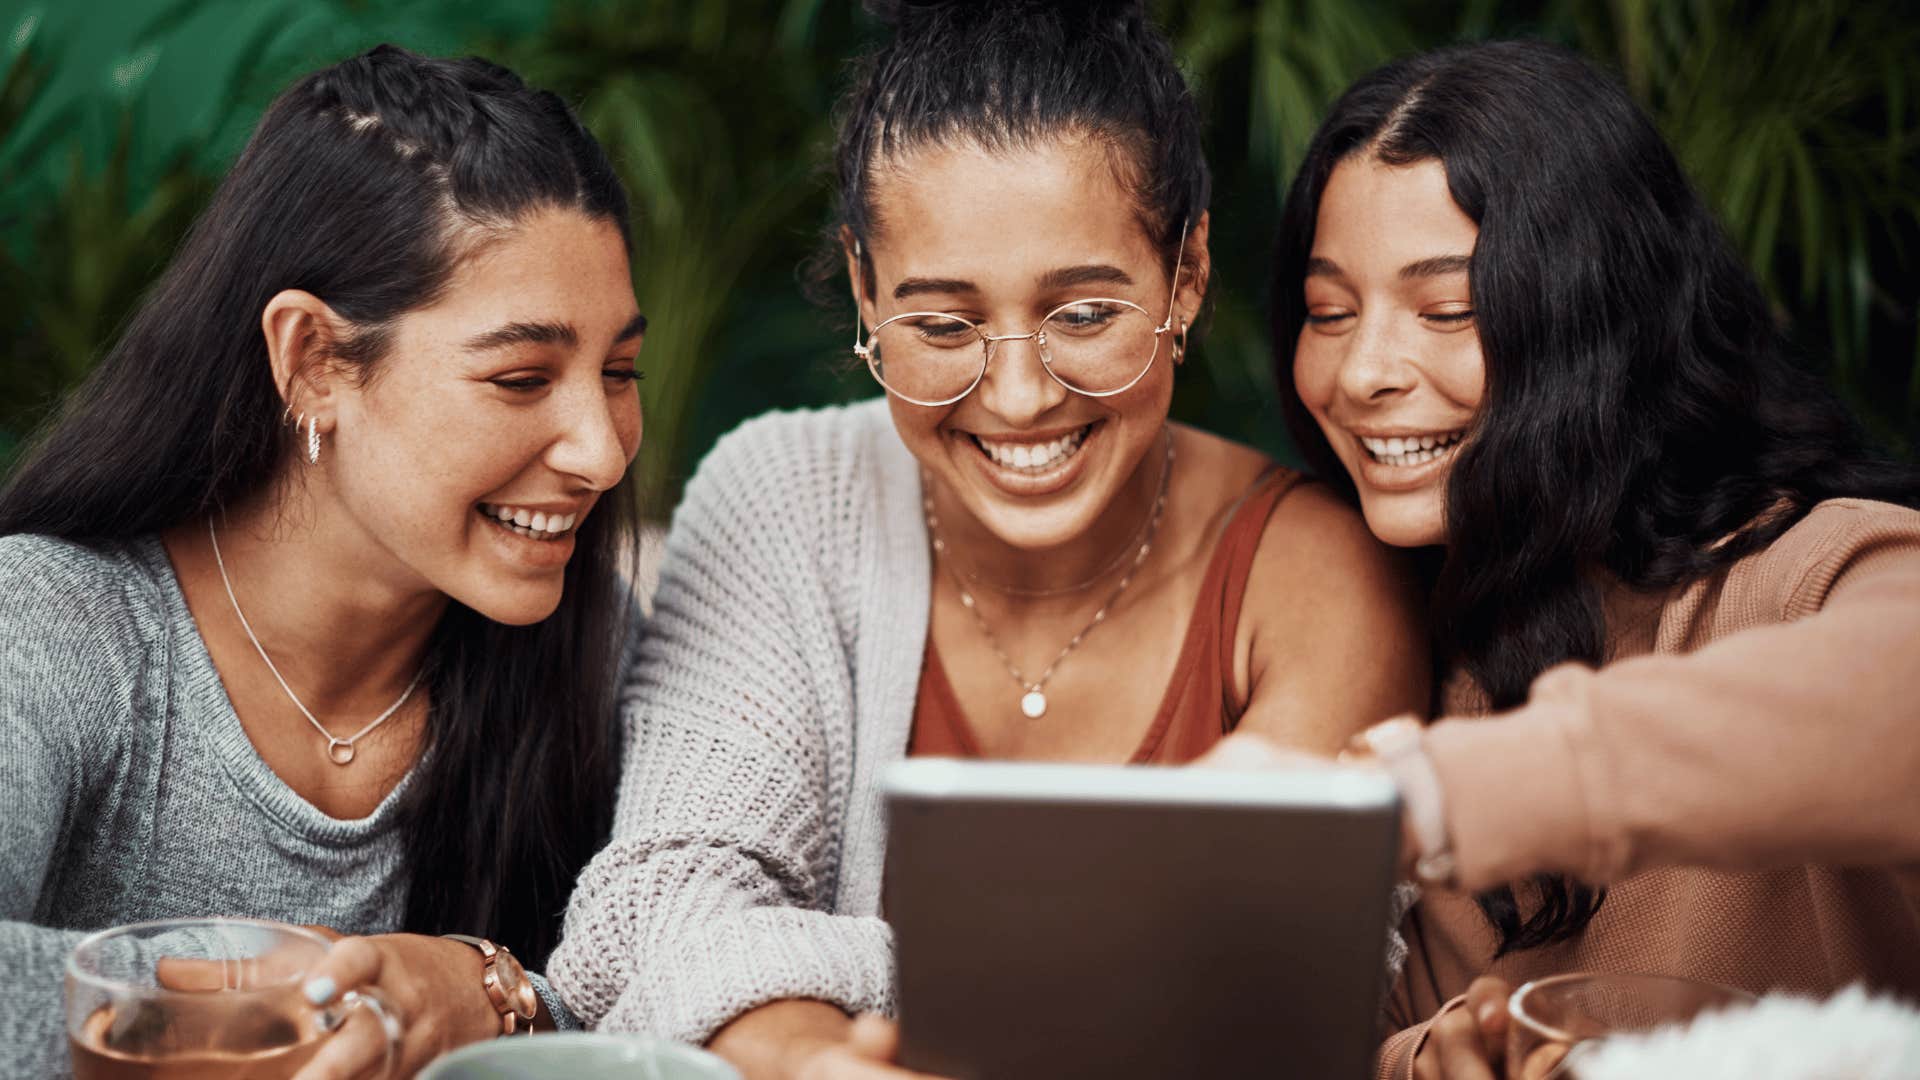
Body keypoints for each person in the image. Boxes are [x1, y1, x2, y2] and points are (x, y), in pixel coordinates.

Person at [548, 2, 1429, 1077]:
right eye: (943, 326)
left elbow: (1268, 989)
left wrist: (803, 979)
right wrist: (815, 1062)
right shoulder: (780, 496)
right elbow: (657, 906)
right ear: (867, 292)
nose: (1016, 398)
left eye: (1085, 314)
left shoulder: (1316, 576)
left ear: (1186, 275)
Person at [1244, 39, 1920, 1079]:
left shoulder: (1810, 571)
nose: (1365, 370)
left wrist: (1435, 796)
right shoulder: (1420, 637)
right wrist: (1438, 1057)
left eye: (1448, 310)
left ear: (1599, 320)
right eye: (1329, 313)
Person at [0, 45, 646, 1079]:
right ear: (311, 359)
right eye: (524, 376)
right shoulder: (54, 625)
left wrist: (489, 992)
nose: (603, 450)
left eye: (619, 370)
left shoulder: (599, 647)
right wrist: (317, 985)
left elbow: (685, 986)